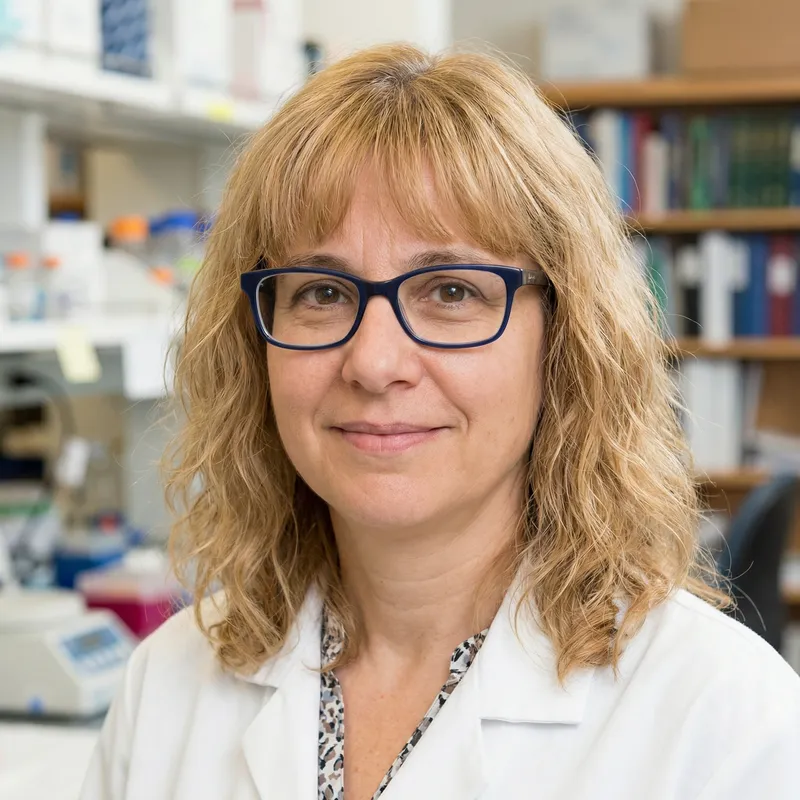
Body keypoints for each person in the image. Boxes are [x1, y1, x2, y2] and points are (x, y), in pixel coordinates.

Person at [80, 44, 800, 800]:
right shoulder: (166, 686)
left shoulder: (726, 723)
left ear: (564, 338)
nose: (374, 361)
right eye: (322, 292)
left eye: (451, 291)